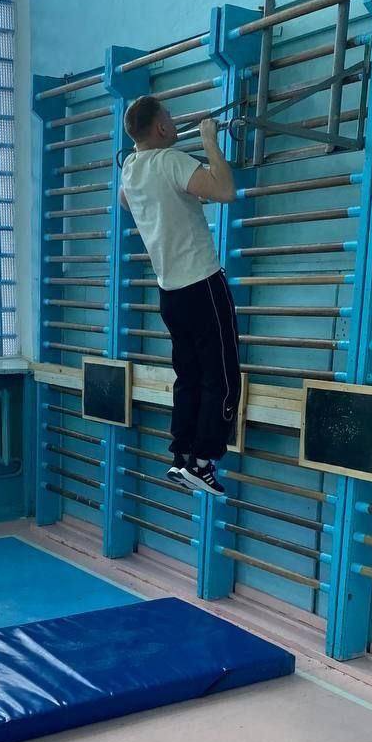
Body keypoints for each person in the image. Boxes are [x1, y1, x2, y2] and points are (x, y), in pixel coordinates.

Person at [120, 97, 240, 495]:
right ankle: (203, 463)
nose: (174, 122)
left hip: (170, 293)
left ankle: (182, 455)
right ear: (160, 128)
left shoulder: (130, 168)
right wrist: (209, 142)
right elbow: (225, 190)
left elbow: (126, 200)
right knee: (222, 378)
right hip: (202, 284)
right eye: (169, 118)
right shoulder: (171, 161)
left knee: (188, 376)